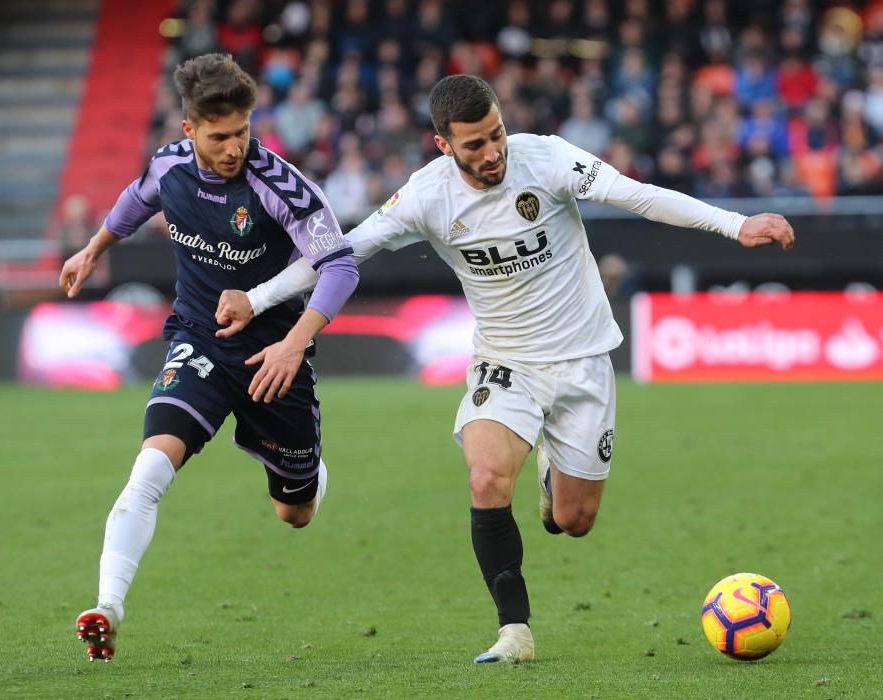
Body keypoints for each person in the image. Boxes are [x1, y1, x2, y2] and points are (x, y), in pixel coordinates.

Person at [214, 74, 795, 664]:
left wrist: (734, 223)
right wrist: (257, 299)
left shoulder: (547, 159)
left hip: (584, 358)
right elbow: (344, 250)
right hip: (506, 360)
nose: (492, 152)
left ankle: (552, 477)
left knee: (574, 520)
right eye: (474, 145)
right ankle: (514, 630)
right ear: (444, 144)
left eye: (497, 135)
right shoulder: (425, 196)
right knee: (486, 476)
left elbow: (638, 195)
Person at [59, 53, 359, 662]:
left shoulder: (282, 188)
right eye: (219, 136)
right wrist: (94, 247)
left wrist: (294, 343)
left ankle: (312, 471)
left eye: (243, 133)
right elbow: (136, 199)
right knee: (148, 471)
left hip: (274, 356)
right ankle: (108, 608)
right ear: (189, 130)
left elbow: (341, 265)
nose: (233, 148)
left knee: (293, 511)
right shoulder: (169, 166)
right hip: (197, 341)